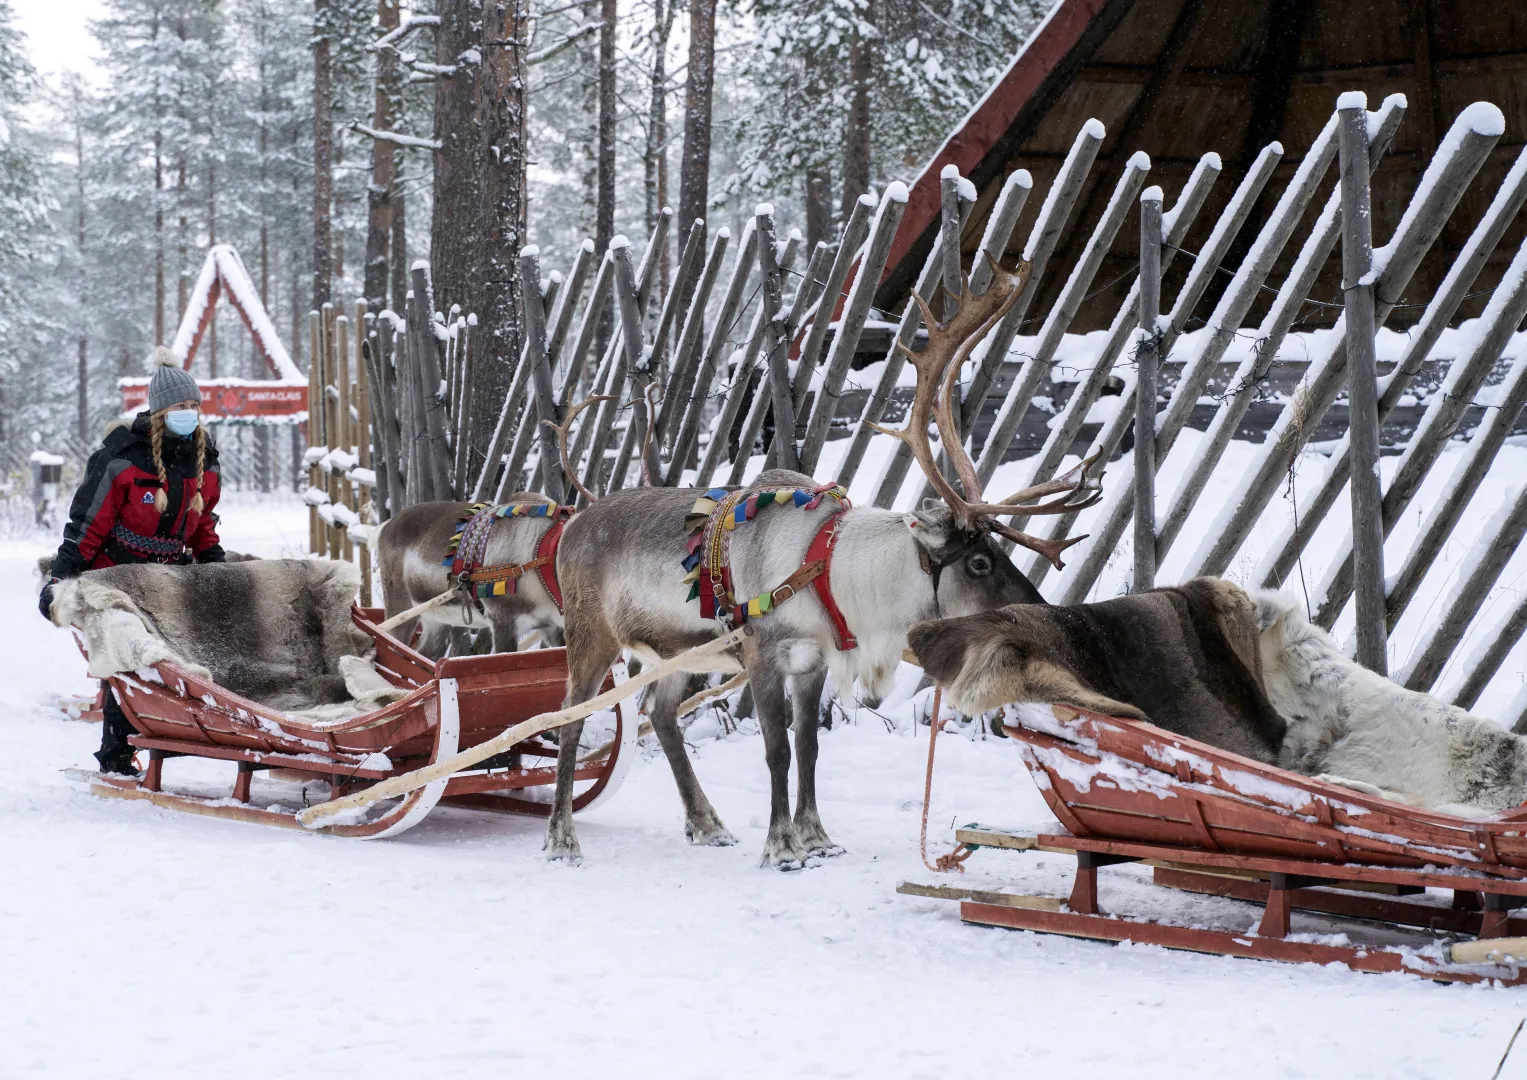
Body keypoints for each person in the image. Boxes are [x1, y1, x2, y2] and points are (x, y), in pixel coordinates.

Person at [39, 348, 226, 775]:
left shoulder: (205, 461)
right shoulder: (122, 458)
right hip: (115, 575)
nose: (190, 413)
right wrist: (62, 576)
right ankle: (117, 755)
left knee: (185, 654)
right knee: (128, 657)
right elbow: (88, 523)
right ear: (161, 411)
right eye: (181, 406)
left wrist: (216, 563)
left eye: (195, 406)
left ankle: (183, 734)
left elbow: (202, 526)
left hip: (169, 576)